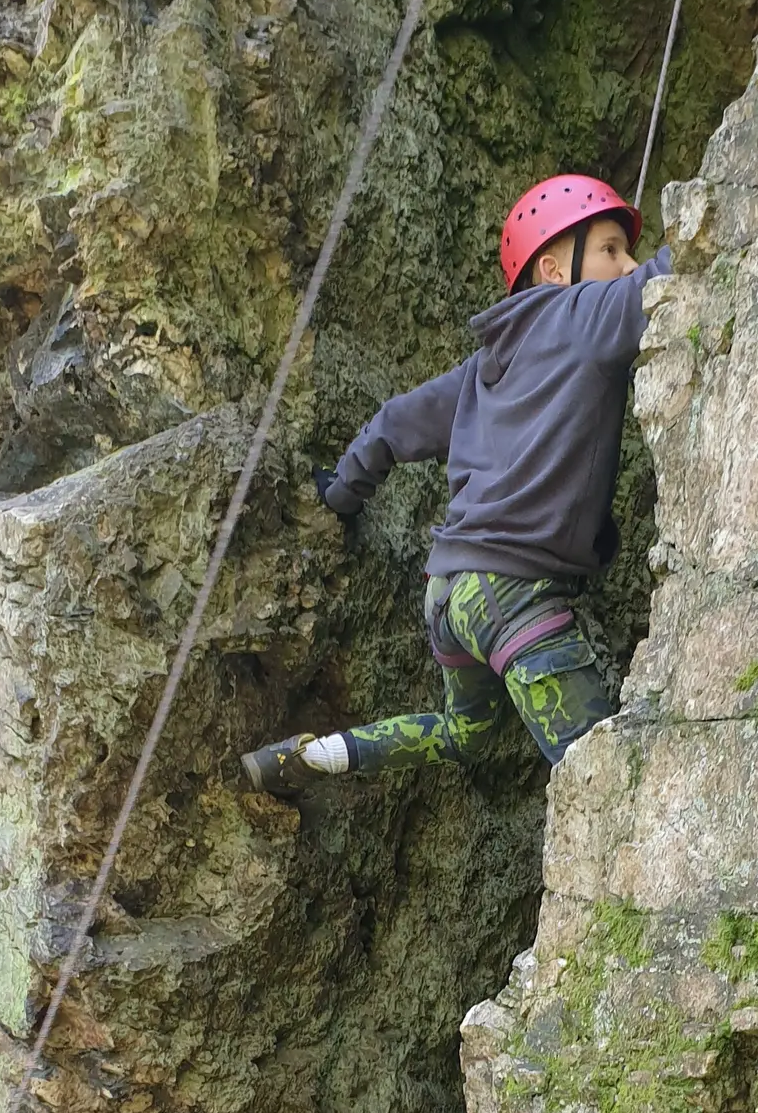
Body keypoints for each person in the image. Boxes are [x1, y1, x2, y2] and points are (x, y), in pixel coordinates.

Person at [242, 173, 673, 793]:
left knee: (465, 732)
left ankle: (317, 756)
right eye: (611, 249)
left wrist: (341, 492)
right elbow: (670, 272)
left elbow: (394, 424)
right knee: (610, 784)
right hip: (514, 590)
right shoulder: (582, 313)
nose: (626, 263)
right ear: (554, 271)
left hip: (450, 594)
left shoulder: (484, 366)